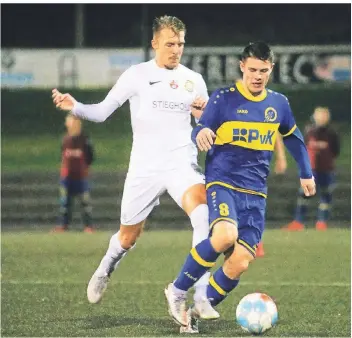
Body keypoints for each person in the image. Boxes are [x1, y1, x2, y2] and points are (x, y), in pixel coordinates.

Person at [51, 15, 216, 316]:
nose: (176, 50)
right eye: (170, 44)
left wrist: (203, 120)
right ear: (154, 43)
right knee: (128, 237)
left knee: (204, 213)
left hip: (181, 163)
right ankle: (105, 268)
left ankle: (200, 292)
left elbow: (204, 123)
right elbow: (102, 112)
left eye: (180, 44)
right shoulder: (137, 75)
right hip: (145, 167)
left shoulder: (195, 81)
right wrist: (74, 106)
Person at [164, 41, 316, 330]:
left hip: (256, 194)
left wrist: (306, 173)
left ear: (271, 69)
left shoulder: (278, 104)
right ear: (242, 67)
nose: (257, 76)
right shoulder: (224, 98)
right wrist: (203, 132)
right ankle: (178, 290)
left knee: (241, 262)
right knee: (224, 235)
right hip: (224, 183)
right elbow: (202, 127)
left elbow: (294, 138)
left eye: (264, 70)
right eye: (253, 70)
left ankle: (194, 312)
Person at [284, 106, 340, 231]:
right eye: (319, 115)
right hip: (311, 170)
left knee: (325, 196)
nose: (321, 118)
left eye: (324, 116)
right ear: (314, 117)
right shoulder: (309, 131)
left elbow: (336, 150)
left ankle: (322, 222)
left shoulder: (332, 133)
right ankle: (298, 222)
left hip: (326, 170)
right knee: (304, 195)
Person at [52, 114, 95, 233]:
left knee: (85, 204)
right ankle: (63, 225)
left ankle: (88, 226)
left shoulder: (85, 140)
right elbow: (63, 156)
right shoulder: (65, 139)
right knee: (65, 203)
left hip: (81, 177)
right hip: (67, 177)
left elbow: (90, 157)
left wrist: (85, 168)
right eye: (70, 122)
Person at [255, 133, 287, 257]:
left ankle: (257, 244)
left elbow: (274, 131)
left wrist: (281, 157)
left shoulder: (263, 114)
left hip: (256, 165)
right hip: (231, 163)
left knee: (256, 203)